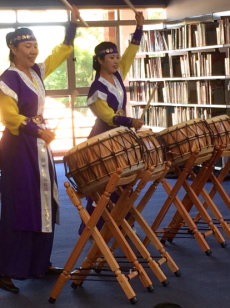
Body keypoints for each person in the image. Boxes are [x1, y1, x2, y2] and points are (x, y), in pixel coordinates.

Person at [0, 5, 80, 293]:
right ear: (14, 48)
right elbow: (9, 119)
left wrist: (71, 28)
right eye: (27, 46)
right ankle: (6, 267)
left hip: (38, 147)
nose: (33, 50)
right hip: (18, 149)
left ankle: (38, 262)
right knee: (21, 205)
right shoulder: (8, 78)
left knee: (46, 202)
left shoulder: (36, 71)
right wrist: (38, 130)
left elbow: (59, 54)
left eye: (35, 45)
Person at [78, 11, 145, 236]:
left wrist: (139, 28)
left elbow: (131, 53)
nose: (116, 61)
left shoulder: (117, 76)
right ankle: (95, 227)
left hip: (120, 138)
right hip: (102, 139)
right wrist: (129, 121)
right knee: (104, 186)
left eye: (116, 57)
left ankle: (121, 222)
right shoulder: (96, 88)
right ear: (99, 61)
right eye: (111, 58)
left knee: (124, 182)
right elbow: (107, 116)